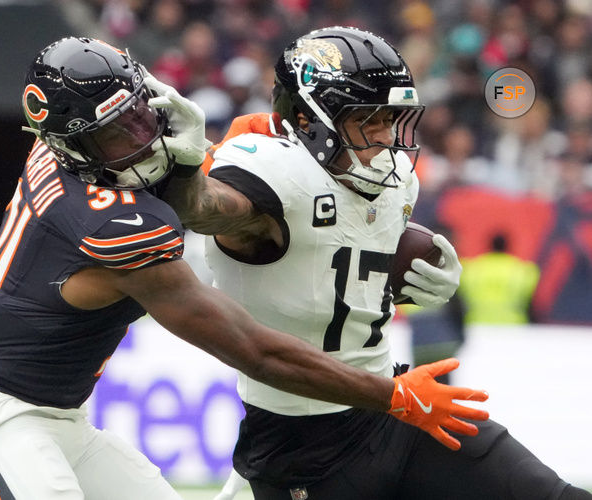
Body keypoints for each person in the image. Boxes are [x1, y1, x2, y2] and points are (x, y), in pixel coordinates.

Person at [0, 36, 489, 500]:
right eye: (117, 137)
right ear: (72, 146)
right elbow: (252, 349)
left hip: (63, 419)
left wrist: (213, 153)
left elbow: (196, 188)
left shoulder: (59, 150)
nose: (142, 143)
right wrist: (389, 395)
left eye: (141, 117)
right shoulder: (109, 224)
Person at [161, 27, 590, 499]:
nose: (387, 138)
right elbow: (203, 208)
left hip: (397, 407)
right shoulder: (270, 171)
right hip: (302, 444)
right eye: (368, 119)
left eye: (391, 118)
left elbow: (331, 259)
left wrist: (406, 276)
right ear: (308, 120)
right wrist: (184, 169)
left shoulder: (395, 181)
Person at [459, 233, 540, 324]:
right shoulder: (524, 271)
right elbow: (532, 306)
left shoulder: (471, 269)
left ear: (489, 246)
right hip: (513, 326)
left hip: (476, 324)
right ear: (507, 246)